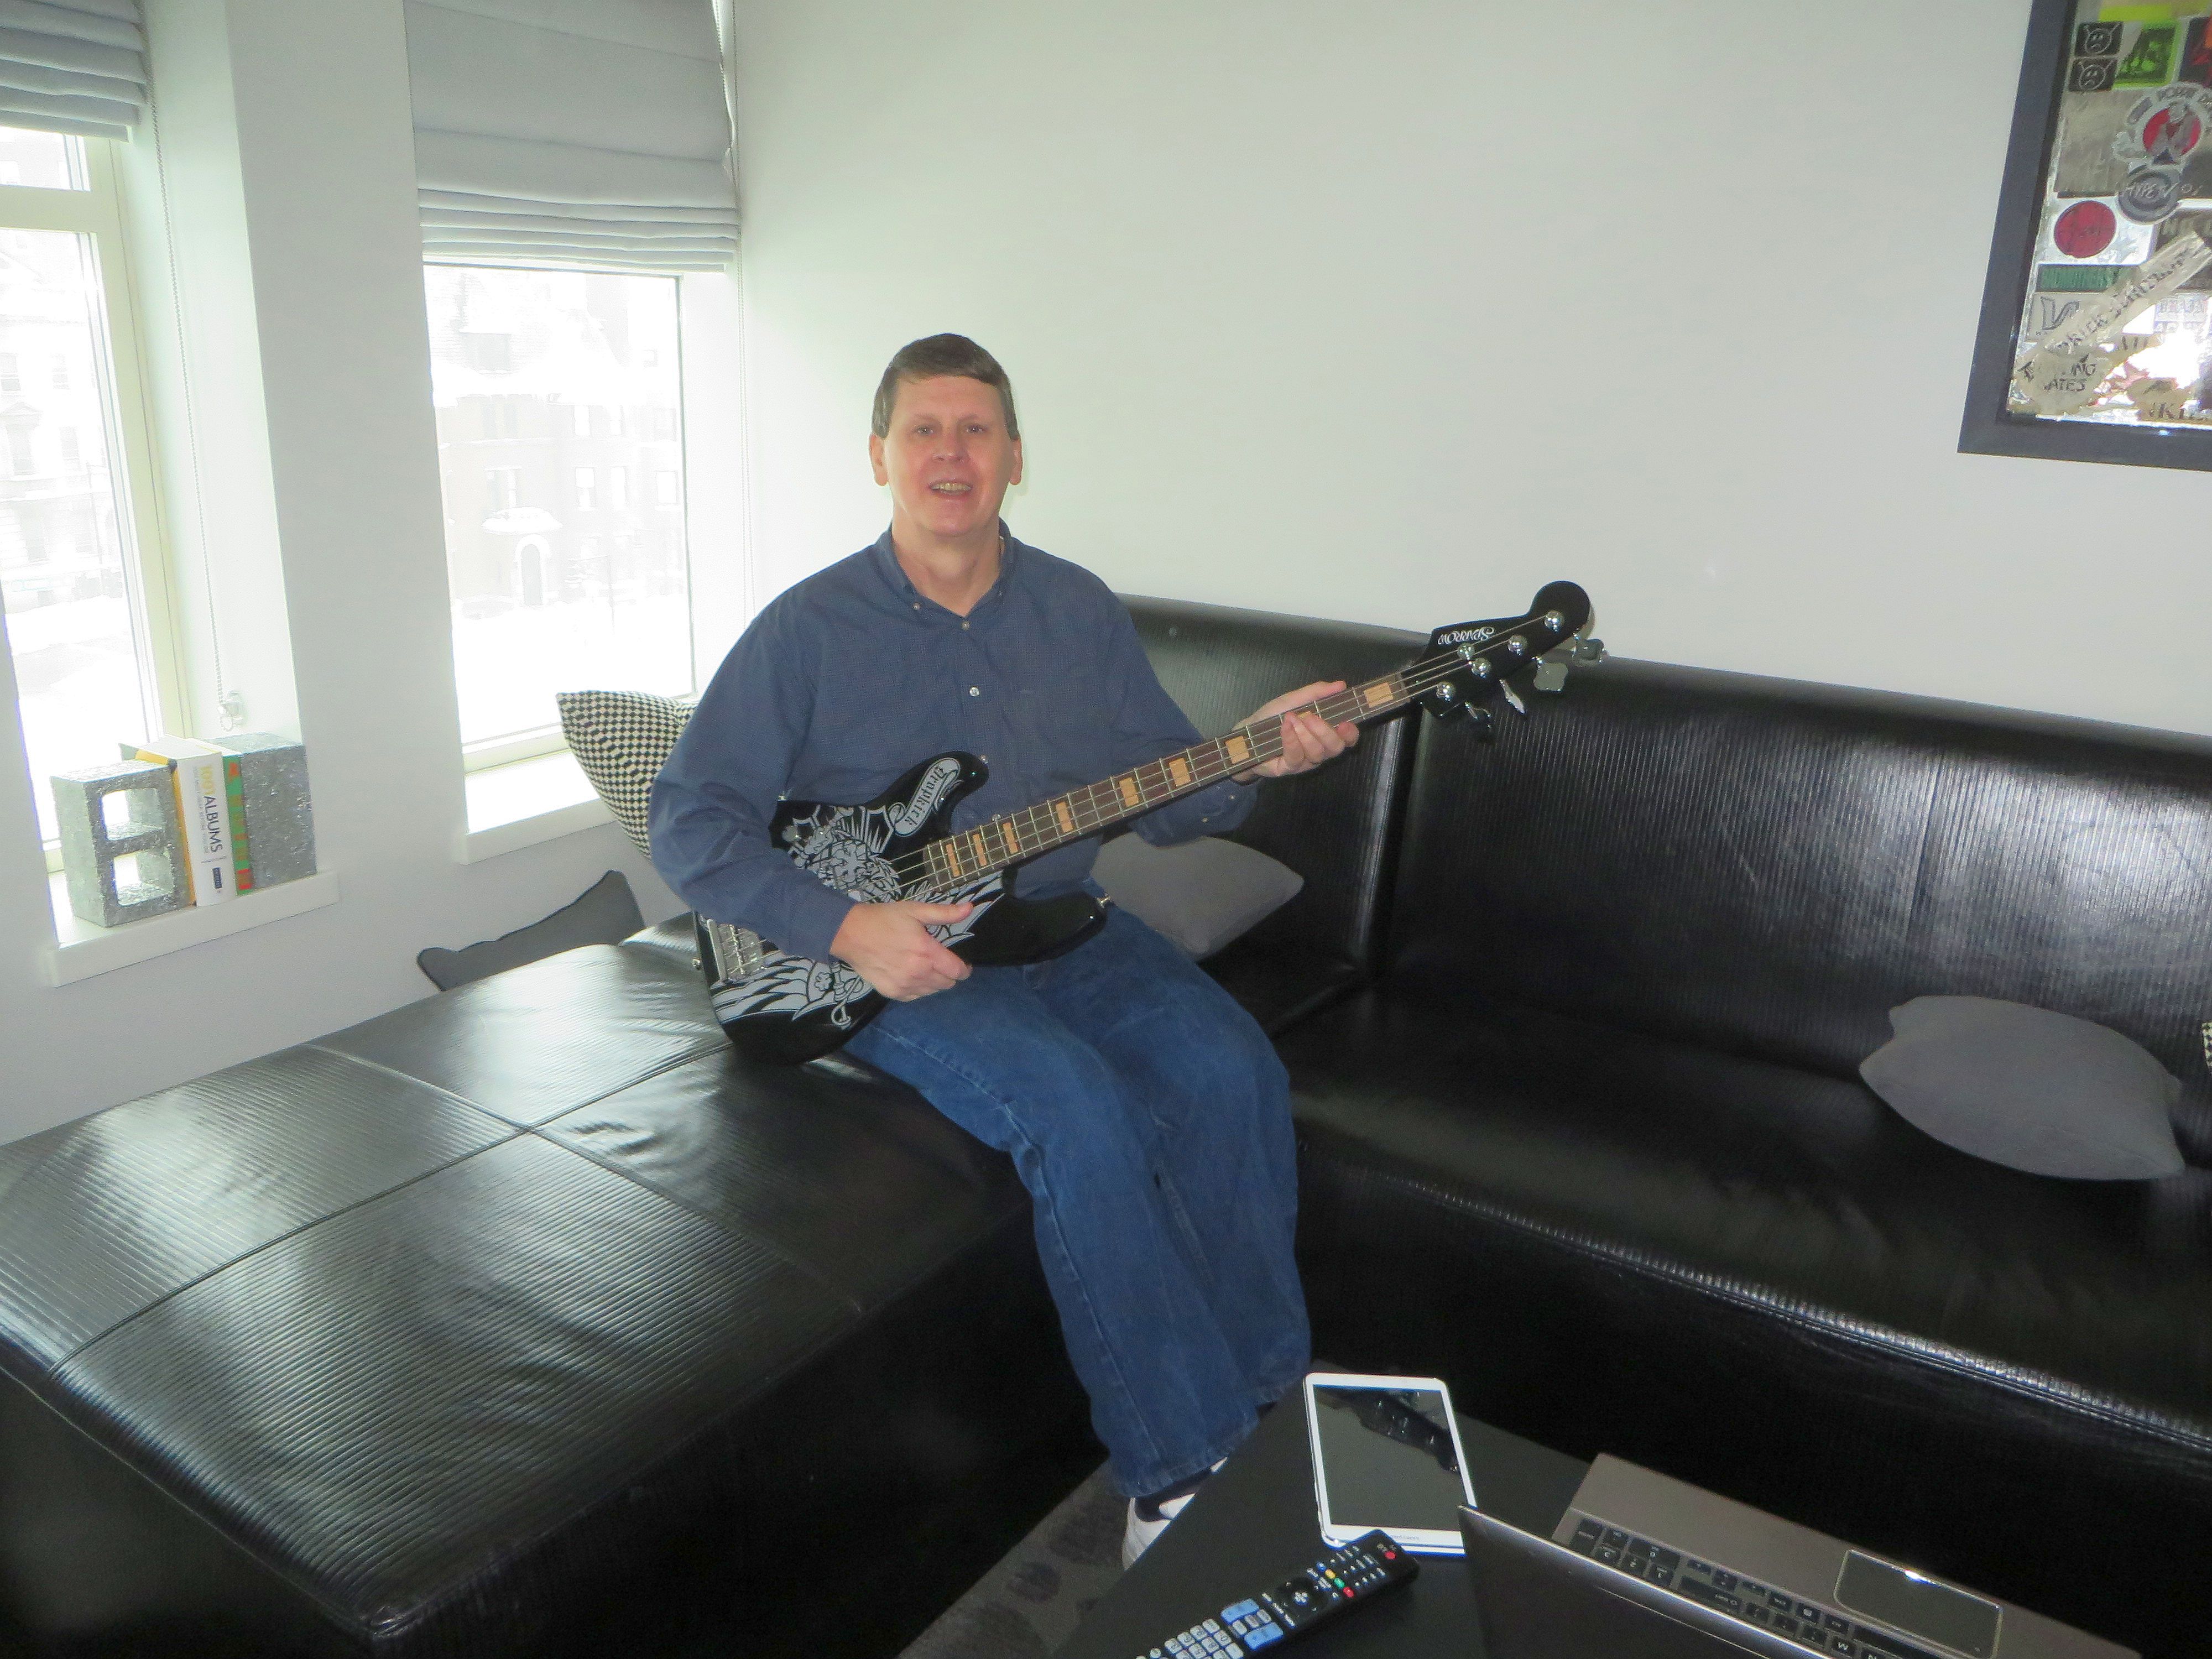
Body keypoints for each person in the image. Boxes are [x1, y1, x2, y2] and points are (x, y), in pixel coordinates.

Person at [649, 333, 1359, 1565]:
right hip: (894, 954)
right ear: (879, 455)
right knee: (1077, 1109)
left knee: (1231, 1068)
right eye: (923, 429)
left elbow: (1167, 795)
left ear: (1015, 457)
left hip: (1065, 925)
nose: (951, 453)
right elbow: (689, 820)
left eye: (976, 430)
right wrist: (847, 926)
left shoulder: (1076, 608)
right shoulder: (806, 629)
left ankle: (1267, 1407)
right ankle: (1175, 1476)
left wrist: (1253, 751)